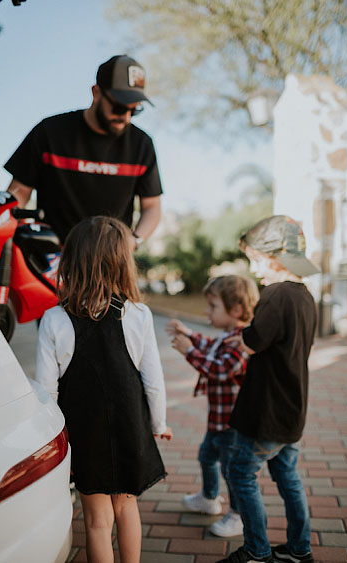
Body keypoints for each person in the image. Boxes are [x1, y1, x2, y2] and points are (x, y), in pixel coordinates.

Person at [34, 216, 172, 563]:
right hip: (130, 428)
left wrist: (52, 443)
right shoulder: (138, 315)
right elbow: (153, 380)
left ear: (71, 262)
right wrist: (159, 424)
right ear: (123, 263)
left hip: (84, 434)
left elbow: (46, 392)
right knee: (127, 510)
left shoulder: (53, 319)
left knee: (96, 522)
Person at [218, 216, 319, 563]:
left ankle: (257, 551)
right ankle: (299, 548)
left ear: (276, 257)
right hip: (292, 410)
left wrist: (242, 330)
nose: (254, 268)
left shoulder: (275, 295)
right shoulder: (305, 296)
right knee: (287, 476)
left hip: (266, 412)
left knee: (240, 474)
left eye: (257, 260)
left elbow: (254, 340)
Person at [4, 55, 162, 247]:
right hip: (50, 257)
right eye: (119, 108)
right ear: (96, 93)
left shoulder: (142, 145)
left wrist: (134, 240)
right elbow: (18, 194)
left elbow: (152, 206)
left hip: (109, 261)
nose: (126, 118)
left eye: (134, 110)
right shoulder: (49, 133)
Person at [166, 275, 260, 538]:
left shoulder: (242, 339)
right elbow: (210, 345)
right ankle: (209, 498)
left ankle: (238, 515)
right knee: (207, 456)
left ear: (237, 310)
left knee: (231, 471)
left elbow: (221, 370)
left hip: (232, 424)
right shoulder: (227, 335)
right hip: (218, 420)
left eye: (213, 306)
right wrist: (189, 334)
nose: (208, 312)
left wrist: (188, 351)